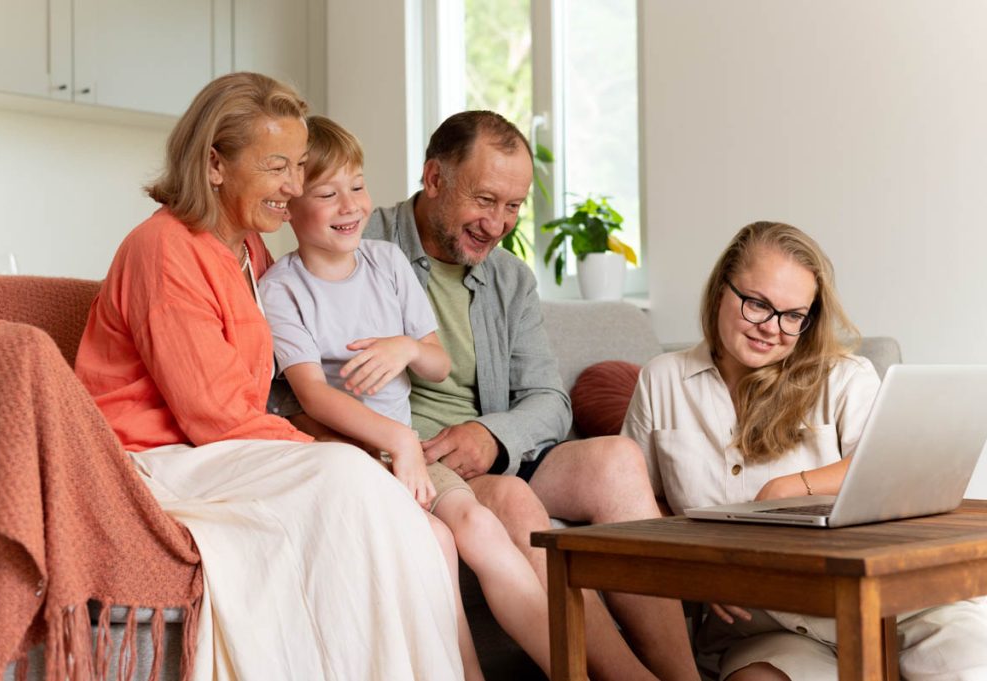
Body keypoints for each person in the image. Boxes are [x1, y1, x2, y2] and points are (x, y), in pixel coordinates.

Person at [74, 72, 463, 680]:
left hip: (219, 453)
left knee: (373, 496)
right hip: (157, 461)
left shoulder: (251, 251)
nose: (295, 185)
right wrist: (330, 449)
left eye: (300, 164)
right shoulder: (164, 250)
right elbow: (216, 416)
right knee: (345, 475)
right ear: (214, 165)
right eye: (277, 166)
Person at [343, 110, 697, 681]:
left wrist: (492, 434)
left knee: (618, 460)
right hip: (423, 466)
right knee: (509, 499)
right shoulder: (359, 246)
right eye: (485, 200)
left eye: (514, 207)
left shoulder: (511, 278)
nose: (498, 223)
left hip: (498, 455)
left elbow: (550, 402)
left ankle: (683, 675)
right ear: (435, 178)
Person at [621, 221, 987, 680]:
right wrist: (696, 566)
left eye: (794, 315)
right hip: (763, 626)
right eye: (757, 305)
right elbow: (638, 503)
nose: (772, 329)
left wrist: (788, 487)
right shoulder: (661, 380)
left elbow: (890, 469)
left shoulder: (845, 376)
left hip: (892, 606)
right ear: (721, 290)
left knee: (969, 661)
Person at [259, 115, 554, 679]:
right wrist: (397, 442)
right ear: (289, 204)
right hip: (358, 459)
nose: (349, 206)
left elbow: (436, 361)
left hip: (409, 453)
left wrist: (405, 349)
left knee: (480, 526)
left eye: (358, 186)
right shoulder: (281, 290)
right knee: (437, 546)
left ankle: (568, 667)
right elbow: (311, 399)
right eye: (326, 193)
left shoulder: (388, 263)